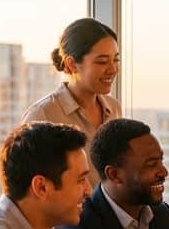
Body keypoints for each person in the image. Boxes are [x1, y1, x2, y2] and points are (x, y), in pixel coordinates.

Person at [21, 17, 122, 186]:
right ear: (72, 64)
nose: (112, 69)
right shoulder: (42, 115)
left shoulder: (114, 107)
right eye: (102, 61)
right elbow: (27, 187)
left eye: (116, 60)